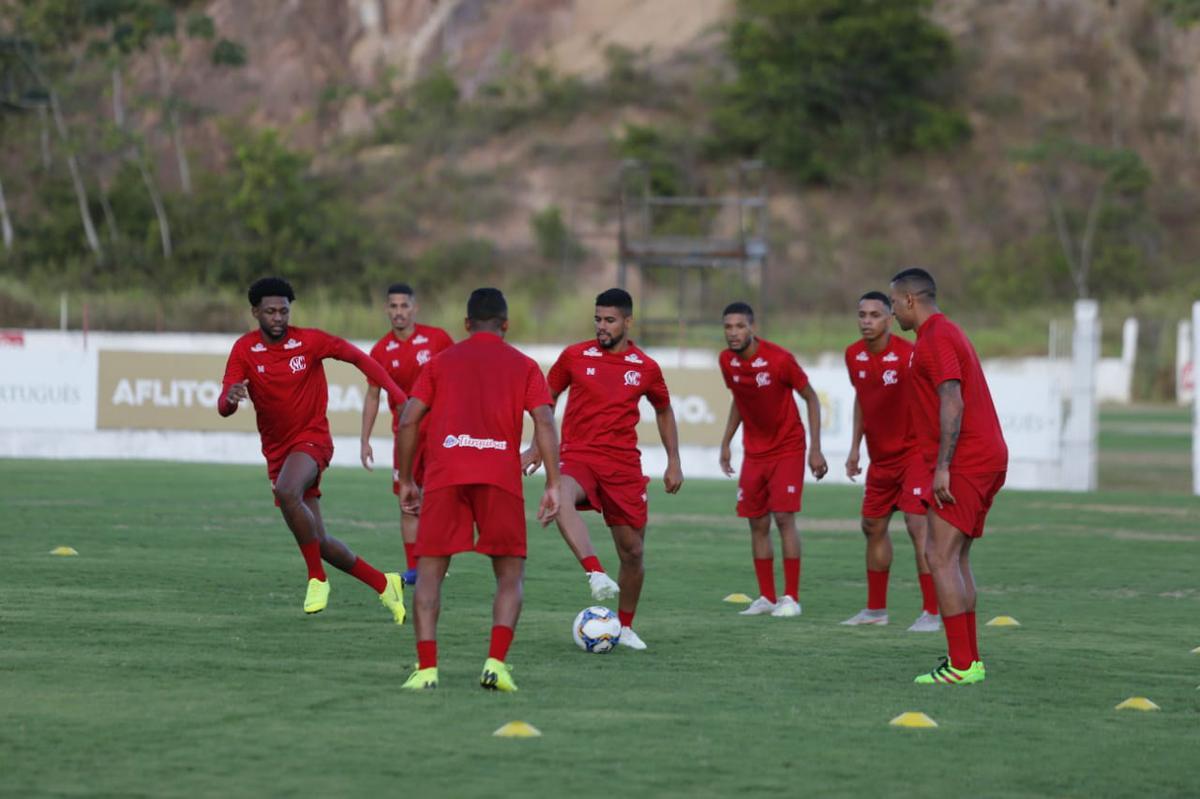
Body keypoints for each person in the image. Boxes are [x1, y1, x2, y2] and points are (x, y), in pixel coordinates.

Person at [397, 288, 560, 692]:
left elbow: (407, 420)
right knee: (509, 575)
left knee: (431, 573)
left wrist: (406, 479)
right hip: (499, 478)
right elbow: (545, 422)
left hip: (445, 475)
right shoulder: (524, 365)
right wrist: (554, 484)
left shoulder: (439, 362)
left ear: (466, 325)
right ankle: (495, 664)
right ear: (505, 325)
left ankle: (427, 668)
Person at [218, 276, 409, 622]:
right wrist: (230, 398)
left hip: (313, 441)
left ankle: (317, 578)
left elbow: (359, 359)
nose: (278, 317)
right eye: (270, 311)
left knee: (288, 490)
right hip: (277, 453)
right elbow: (224, 403)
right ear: (255, 312)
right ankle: (385, 584)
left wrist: (398, 395)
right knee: (317, 539)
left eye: (284, 311)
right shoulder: (244, 350)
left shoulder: (310, 342)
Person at [522, 288, 683, 651]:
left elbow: (663, 409)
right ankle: (594, 571)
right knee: (558, 492)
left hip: (623, 465)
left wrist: (674, 460)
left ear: (628, 322)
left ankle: (624, 627)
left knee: (633, 553)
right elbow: (543, 402)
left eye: (609, 320)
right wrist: (536, 445)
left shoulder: (646, 368)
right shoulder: (574, 357)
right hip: (578, 455)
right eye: (597, 319)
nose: (602, 327)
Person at [889, 268, 1008, 686]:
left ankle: (961, 666)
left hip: (967, 460)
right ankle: (968, 661)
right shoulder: (938, 334)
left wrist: (942, 466)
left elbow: (952, 401)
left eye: (892, 304)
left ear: (909, 301)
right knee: (954, 557)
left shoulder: (937, 336)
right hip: (980, 456)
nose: (890, 314)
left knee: (938, 556)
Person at [718, 302, 828, 618]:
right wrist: (726, 443)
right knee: (757, 522)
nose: (734, 332)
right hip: (754, 451)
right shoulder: (726, 361)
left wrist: (815, 449)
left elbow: (810, 397)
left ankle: (791, 597)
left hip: (788, 447)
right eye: (728, 327)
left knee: (783, 518)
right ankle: (766, 597)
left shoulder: (779, 359)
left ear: (752, 327)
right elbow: (739, 399)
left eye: (739, 326)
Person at [840, 291, 940, 632]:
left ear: (889, 319)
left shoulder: (909, 355)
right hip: (879, 459)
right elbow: (862, 400)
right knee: (872, 528)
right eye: (862, 315)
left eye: (874, 315)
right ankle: (875, 611)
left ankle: (931, 612)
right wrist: (855, 448)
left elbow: (934, 400)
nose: (866, 321)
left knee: (917, 526)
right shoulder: (853, 355)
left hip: (913, 455)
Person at [359, 282, 454, 585]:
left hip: (440, 435)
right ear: (386, 309)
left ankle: (437, 560)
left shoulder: (438, 339)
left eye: (404, 305)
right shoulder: (380, 350)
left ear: (415, 308)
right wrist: (365, 439)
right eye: (393, 306)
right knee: (407, 500)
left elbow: (459, 377)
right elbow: (373, 395)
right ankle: (414, 569)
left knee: (440, 500)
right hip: (406, 438)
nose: (399, 312)